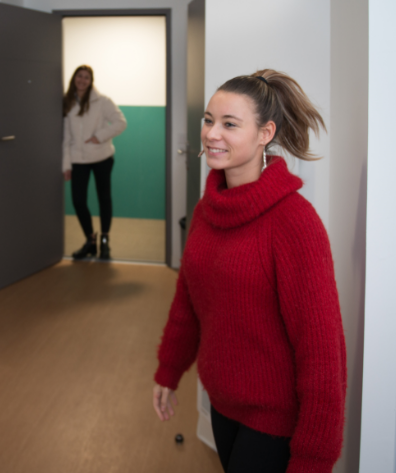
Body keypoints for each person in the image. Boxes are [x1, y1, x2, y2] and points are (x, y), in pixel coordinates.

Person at [151, 69, 346, 473]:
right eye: (208, 120)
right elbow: (188, 303)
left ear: (265, 133)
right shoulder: (208, 211)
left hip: (274, 422)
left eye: (229, 124)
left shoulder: (294, 222)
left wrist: (314, 458)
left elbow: (322, 353)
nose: (212, 134)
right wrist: (169, 369)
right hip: (223, 404)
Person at [63, 65, 127, 260]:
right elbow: (65, 138)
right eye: (79, 76)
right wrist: (66, 164)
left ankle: (105, 241)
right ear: (74, 78)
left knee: (104, 199)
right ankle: (90, 240)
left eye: (86, 78)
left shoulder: (102, 101)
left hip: (102, 157)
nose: (82, 80)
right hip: (77, 159)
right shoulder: (67, 103)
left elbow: (120, 122)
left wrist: (99, 136)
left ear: (91, 81)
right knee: (78, 201)